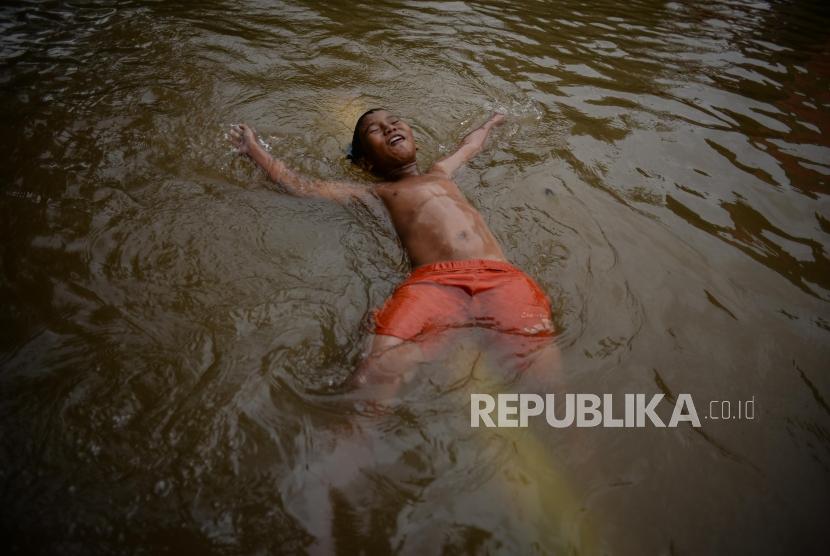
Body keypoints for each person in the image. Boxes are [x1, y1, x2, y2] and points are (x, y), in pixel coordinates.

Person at [229, 109, 557, 385]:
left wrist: (491, 122)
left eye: (395, 121)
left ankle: (577, 441)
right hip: (433, 283)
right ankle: (356, 435)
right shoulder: (376, 193)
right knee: (375, 368)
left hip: (499, 276)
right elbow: (303, 186)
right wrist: (254, 149)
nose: (389, 127)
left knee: (546, 372)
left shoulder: (441, 172)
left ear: (414, 137)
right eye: (375, 129)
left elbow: (470, 146)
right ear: (365, 164)